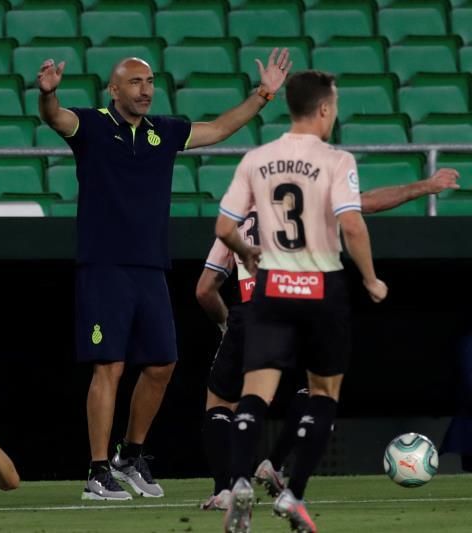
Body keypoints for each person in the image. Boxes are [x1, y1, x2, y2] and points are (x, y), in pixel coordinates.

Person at [38, 50, 292, 501]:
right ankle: (97, 472)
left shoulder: (165, 131)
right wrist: (49, 94)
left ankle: (130, 455)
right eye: (135, 82)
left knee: (163, 363)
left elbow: (217, 129)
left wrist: (264, 95)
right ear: (114, 90)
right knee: (110, 365)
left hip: (151, 266)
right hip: (104, 266)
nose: (145, 89)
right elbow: (55, 118)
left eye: (150, 81)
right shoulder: (92, 125)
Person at [197, 168, 459, 510]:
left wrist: (226, 324)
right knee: (316, 391)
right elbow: (369, 203)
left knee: (221, 404)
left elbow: (204, 290)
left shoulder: (236, 219)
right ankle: (274, 464)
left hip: (253, 310)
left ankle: (225, 490)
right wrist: (426, 185)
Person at [214, 70, 389, 533]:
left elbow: (223, 228)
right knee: (323, 393)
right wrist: (370, 278)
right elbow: (352, 224)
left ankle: (239, 484)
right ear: (325, 109)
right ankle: (293, 495)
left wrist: (247, 251)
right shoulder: (337, 159)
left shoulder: (257, 158)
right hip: (320, 286)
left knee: (255, 394)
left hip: (270, 287)